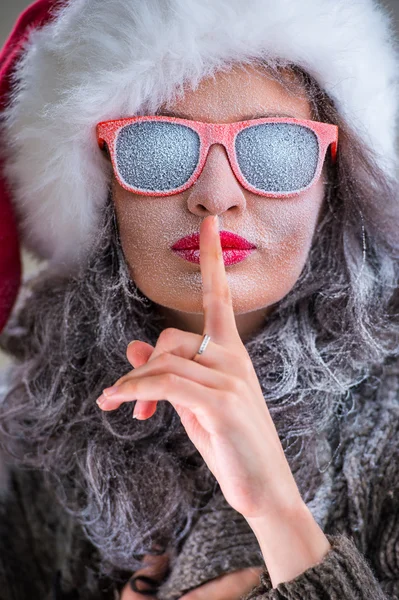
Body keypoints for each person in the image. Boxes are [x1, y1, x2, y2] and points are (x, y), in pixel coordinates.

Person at [0, 0, 398, 599]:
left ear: (332, 179)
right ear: (100, 181)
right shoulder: (23, 447)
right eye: (157, 148)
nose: (215, 197)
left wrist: (280, 516)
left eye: (274, 149)